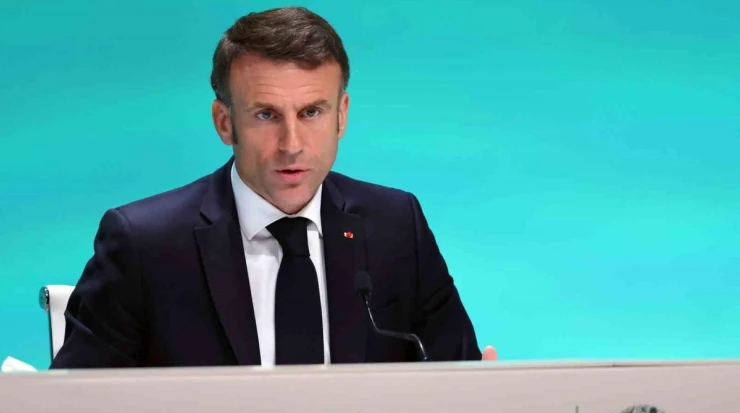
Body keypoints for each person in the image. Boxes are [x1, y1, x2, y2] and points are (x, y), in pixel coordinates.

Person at [51, 6, 496, 368]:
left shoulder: (396, 227)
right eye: (266, 115)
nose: (292, 144)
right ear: (224, 122)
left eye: (311, 112)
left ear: (341, 115)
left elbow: (454, 376)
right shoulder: (143, 244)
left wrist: (482, 392)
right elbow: (72, 404)